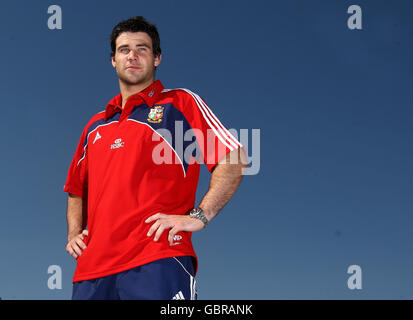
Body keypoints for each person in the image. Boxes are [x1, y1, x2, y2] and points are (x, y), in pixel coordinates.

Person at [64, 16, 247, 300]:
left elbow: (233, 156)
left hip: (157, 260)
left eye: (143, 49)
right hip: (91, 273)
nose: (132, 56)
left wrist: (200, 216)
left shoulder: (179, 104)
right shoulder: (94, 126)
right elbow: (76, 189)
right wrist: (73, 234)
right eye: (124, 49)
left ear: (157, 58)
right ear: (113, 60)